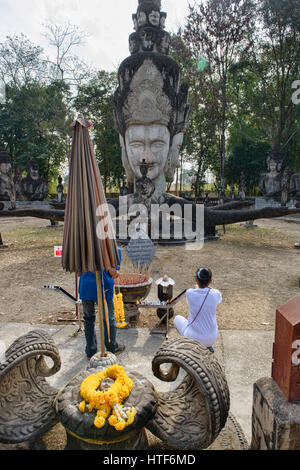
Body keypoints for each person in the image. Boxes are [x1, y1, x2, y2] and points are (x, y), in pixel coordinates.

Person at [78, 247, 125, 359]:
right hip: (103, 288)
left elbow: (78, 273)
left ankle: (91, 350)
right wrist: (115, 273)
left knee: (88, 319)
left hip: (86, 287)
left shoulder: (82, 249)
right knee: (108, 319)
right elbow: (113, 273)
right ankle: (111, 347)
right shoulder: (112, 249)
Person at [173, 268, 222, 353]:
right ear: (210, 281)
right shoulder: (216, 294)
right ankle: (207, 346)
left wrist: (197, 288)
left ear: (196, 279)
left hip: (194, 338)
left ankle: (187, 346)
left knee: (177, 319)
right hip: (212, 338)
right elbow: (218, 296)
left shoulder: (189, 293)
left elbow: (193, 299)